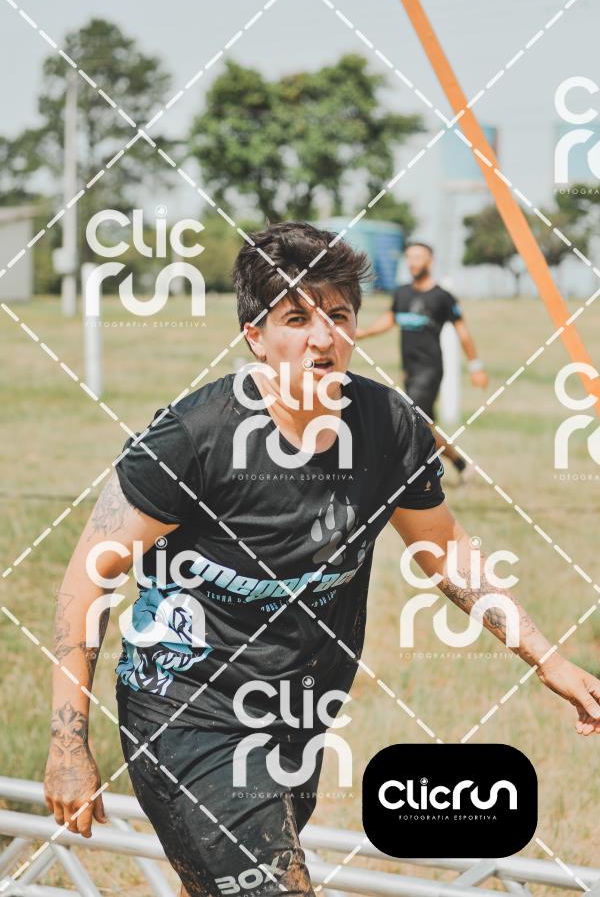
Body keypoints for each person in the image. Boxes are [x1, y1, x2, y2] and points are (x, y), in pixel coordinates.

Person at [44, 222, 600, 897]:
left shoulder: (390, 426)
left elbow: (446, 551)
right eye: (297, 318)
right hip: (188, 711)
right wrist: (68, 742)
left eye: (338, 316)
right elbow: (88, 578)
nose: (323, 337)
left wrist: (548, 659)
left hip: (298, 714)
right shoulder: (193, 437)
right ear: (255, 335)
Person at [356, 241, 487, 480]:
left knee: (410, 418)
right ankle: (462, 465)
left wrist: (475, 366)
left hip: (430, 370)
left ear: (430, 261)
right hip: (409, 370)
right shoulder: (402, 293)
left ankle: (405, 477)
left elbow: (463, 332)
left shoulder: (443, 297)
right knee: (425, 426)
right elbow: (390, 319)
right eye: (409, 257)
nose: (412, 262)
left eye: (418, 257)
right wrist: (361, 333)